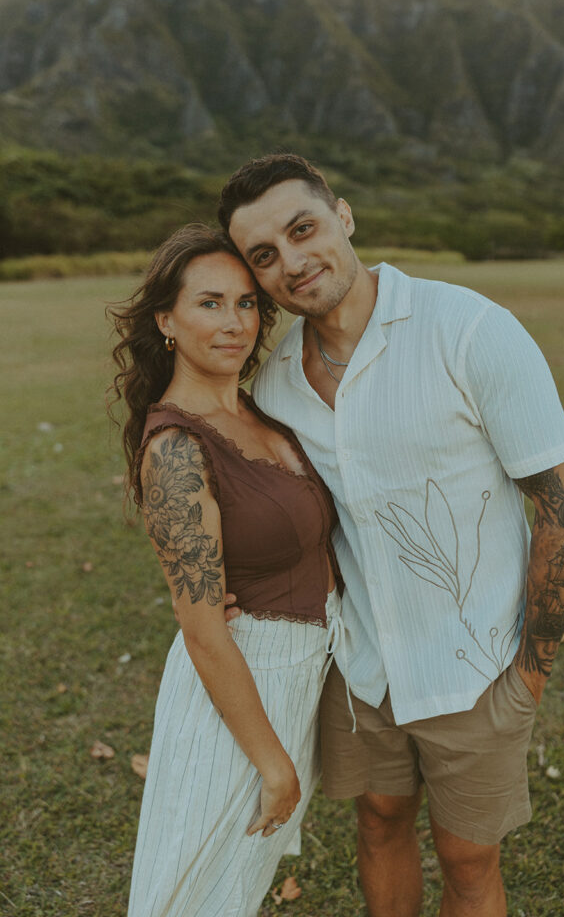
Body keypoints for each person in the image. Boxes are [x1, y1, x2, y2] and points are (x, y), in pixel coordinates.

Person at [217, 153, 564, 917]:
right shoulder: (275, 384)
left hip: (479, 663)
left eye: (303, 229)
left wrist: (530, 671)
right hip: (360, 668)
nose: (291, 263)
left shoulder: (467, 329)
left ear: (343, 216)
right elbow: (288, 515)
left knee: (466, 858)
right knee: (379, 821)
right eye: (265, 255)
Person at [108, 223, 343, 917]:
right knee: (194, 894)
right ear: (166, 319)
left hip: (297, 677)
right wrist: (272, 762)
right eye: (209, 304)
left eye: (246, 304)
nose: (234, 323)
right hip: (238, 694)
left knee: (235, 890)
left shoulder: (260, 413)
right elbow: (205, 630)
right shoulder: (176, 446)